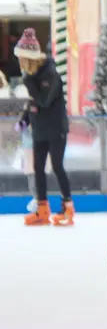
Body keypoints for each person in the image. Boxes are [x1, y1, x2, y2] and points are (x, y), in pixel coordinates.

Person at [14, 29, 74, 226]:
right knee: (38, 168)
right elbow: (33, 103)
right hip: (40, 129)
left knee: (57, 166)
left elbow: (44, 101)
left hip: (56, 129)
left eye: (22, 58)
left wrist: (29, 84)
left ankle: (67, 207)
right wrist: (25, 119)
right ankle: (42, 208)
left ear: (29, 58)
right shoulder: (31, 77)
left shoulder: (50, 74)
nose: (20, 63)